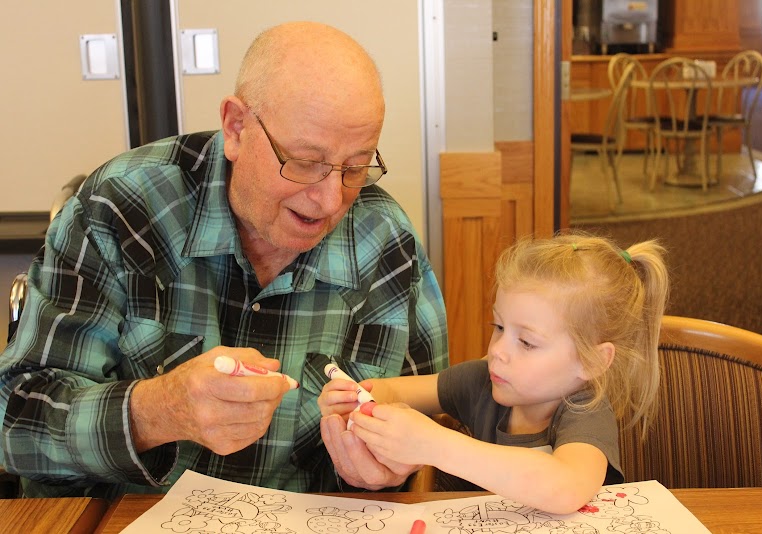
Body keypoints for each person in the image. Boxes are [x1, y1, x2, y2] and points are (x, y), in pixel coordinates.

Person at [0, 21, 448, 499]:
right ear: (236, 127)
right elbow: (16, 422)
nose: (330, 199)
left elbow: (431, 420)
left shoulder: (384, 241)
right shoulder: (121, 208)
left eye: (356, 167)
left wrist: (390, 465)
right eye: (303, 161)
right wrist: (158, 410)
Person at [320, 232, 669, 514]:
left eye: (527, 342)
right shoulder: (481, 381)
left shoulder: (585, 411)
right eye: (499, 326)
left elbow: (565, 488)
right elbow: (392, 392)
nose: (498, 351)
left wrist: (433, 444)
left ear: (591, 362)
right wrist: (356, 398)